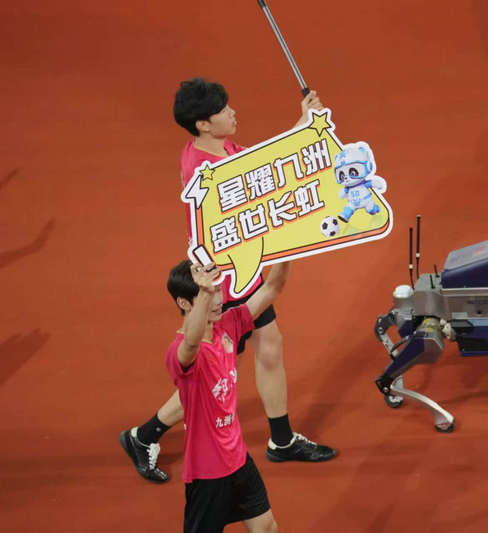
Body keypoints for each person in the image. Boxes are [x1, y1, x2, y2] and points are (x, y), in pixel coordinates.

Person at [119, 78, 336, 484]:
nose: (233, 113)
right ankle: (143, 435)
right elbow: (259, 174)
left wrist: (304, 124)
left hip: (244, 272)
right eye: (223, 110)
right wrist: (304, 129)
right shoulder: (204, 168)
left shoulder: (221, 148)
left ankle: (282, 440)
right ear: (203, 124)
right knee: (214, 372)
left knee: (269, 344)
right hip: (224, 283)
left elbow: (260, 167)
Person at [166, 259, 285, 532]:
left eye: (219, 290)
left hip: (239, 461)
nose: (219, 299)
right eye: (209, 294)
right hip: (207, 475)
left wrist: (285, 249)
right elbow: (192, 343)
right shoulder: (178, 353)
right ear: (184, 303)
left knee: (267, 527)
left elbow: (272, 288)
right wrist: (205, 292)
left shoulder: (230, 325)